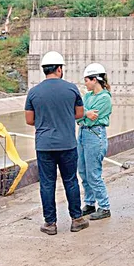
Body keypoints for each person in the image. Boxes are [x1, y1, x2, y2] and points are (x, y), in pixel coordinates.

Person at [24, 51, 87, 235]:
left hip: (44, 145)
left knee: (47, 183)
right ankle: (76, 219)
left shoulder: (34, 92)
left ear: (44, 70)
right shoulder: (71, 89)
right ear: (59, 69)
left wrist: (45, 120)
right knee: (70, 180)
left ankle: (50, 224)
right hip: (67, 143)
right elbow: (80, 114)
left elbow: (29, 119)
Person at [78, 63, 112, 221]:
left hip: (94, 135)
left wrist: (83, 114)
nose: (85, 83)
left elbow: (93, 118)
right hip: (83, 133)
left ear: (95, 79)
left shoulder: (105, 98)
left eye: (87, 80)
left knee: (93, 172)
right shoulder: (87, 96)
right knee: (83, 171)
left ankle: (104, 206)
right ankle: (90, 203)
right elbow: (79, 116)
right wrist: (85, 113)